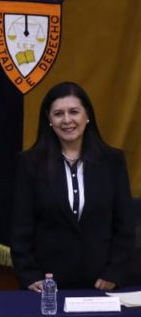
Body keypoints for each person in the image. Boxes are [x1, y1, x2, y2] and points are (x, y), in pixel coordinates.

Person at [11, 81, 134, 291]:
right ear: (49, 119)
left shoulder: (112, 161)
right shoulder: (30, 164)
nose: (67, 120)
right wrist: (30, 275)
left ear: (87, 116)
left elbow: (125, 226)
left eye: (74, 112)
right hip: (47, 288)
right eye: (58, 114)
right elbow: (21, 227)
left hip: (103, 286)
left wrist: (114, 273)